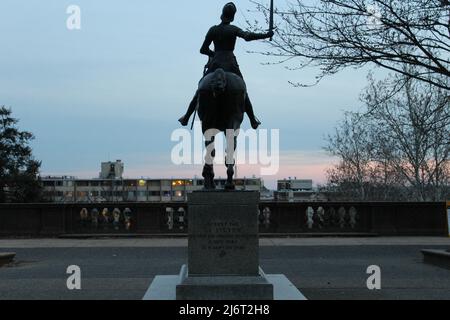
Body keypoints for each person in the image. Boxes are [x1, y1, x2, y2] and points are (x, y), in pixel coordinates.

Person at [178, 2, 273, 130]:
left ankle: (186, 117)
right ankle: (252, 119)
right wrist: (266, 35)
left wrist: (214, 54)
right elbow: (247, 36)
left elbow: (203, 49)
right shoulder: (233, 29)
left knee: (200, 90)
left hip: (215, 63)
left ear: (222, 15)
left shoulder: (213, 29)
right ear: (232, 17)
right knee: (243, 91)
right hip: (231, 64)